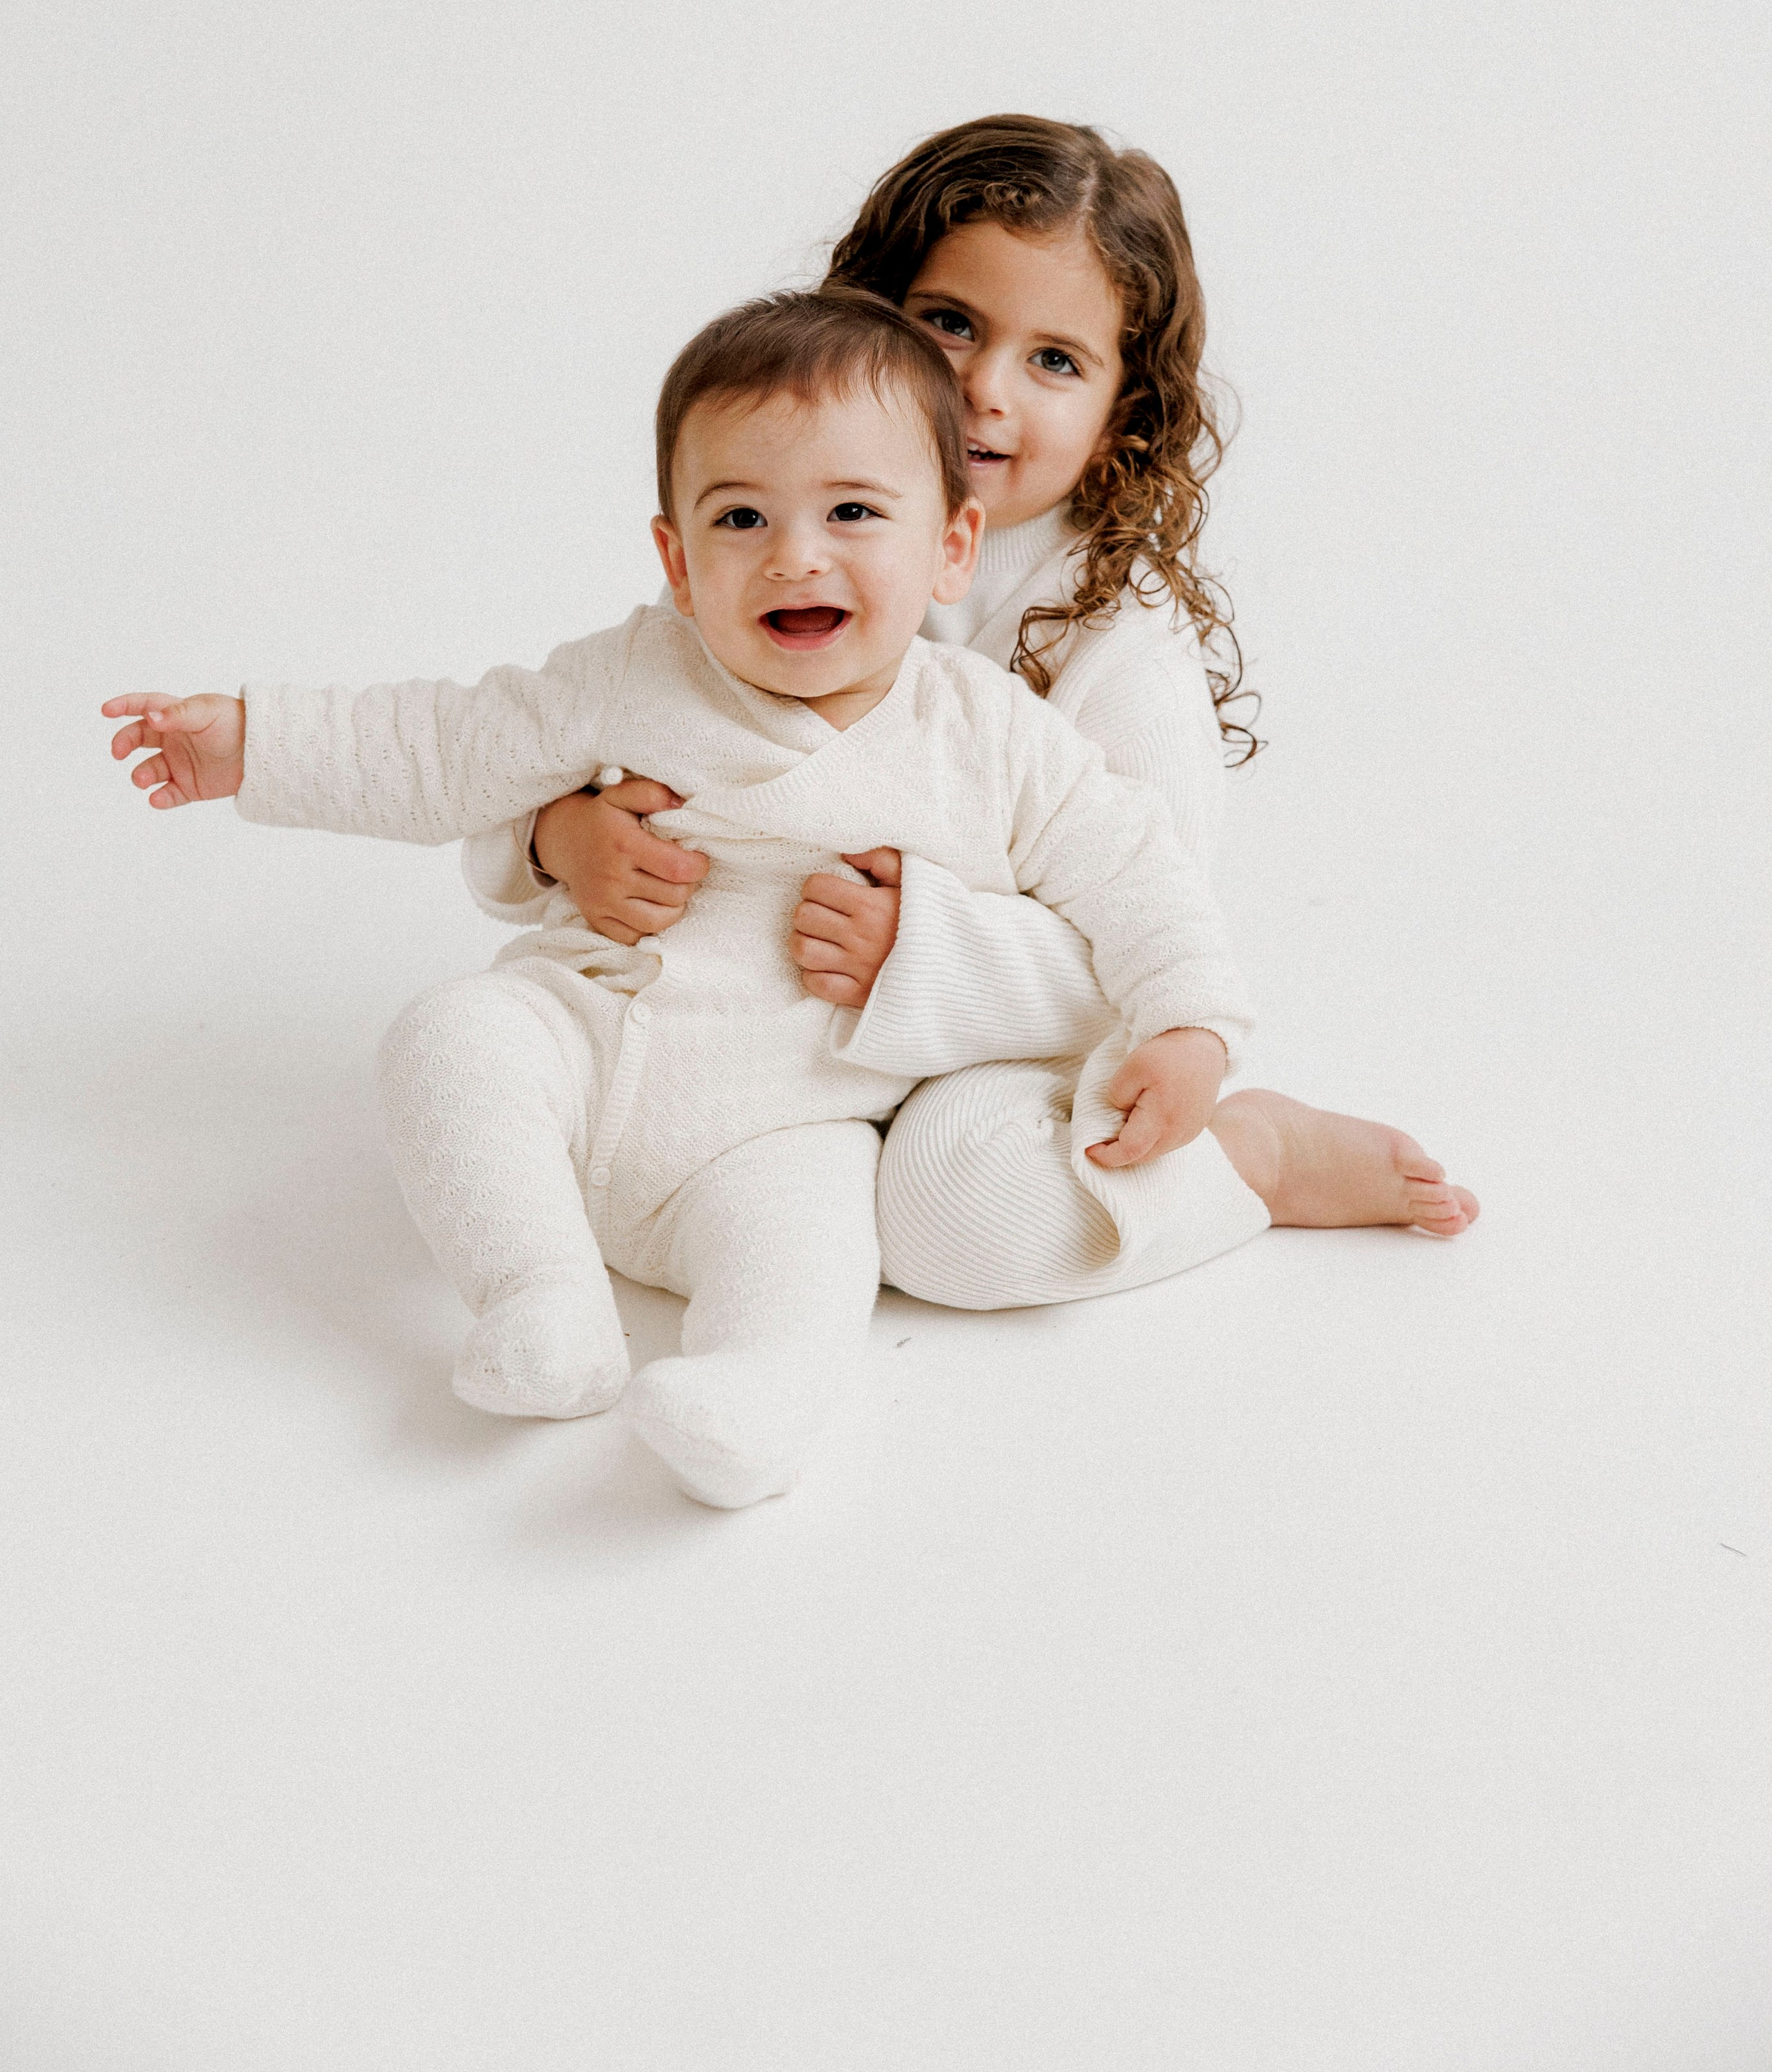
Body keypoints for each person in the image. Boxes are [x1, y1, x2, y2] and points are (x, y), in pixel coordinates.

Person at [103, 292, 1257, 1511]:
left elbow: (1139, 875)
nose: (795, 554)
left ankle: (758, 1398)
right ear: (676, 557)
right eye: (742, 517)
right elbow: (447, 740)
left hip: (786, 1131)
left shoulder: (992, 736)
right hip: (584, 1046)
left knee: (818, 1257)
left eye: (854, 513)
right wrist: (255, 744)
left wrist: (1190, 1022)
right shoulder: (639, 669)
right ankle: (543, 1299)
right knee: (448, 1037)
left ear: (951, 547)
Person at [489, 116, 1476, 1307]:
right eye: (950, 323)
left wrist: (927, 950)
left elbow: (1157, 943)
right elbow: (597, 724)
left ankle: (1250, 1160)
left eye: (1054, 360)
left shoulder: (1123, 653)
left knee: (955, 1220)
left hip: (992, 1053)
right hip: (757, 1023)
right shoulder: (779, 544)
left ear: (1125, 419)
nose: (980, 387)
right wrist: (559, 839)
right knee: (519, 1102)